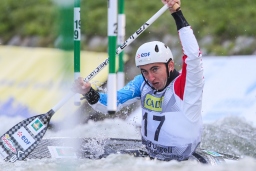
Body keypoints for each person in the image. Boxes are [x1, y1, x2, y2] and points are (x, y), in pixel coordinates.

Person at [72, 0, 204, 161]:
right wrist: (88, 91)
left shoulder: (186, 87)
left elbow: (193, 58)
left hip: (181, 162)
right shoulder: (142, 83)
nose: (150, 77)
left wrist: (176, 13)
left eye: (155, 69)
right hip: (150, 158)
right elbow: (111, 104)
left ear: (170, 65)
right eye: (145, 71)